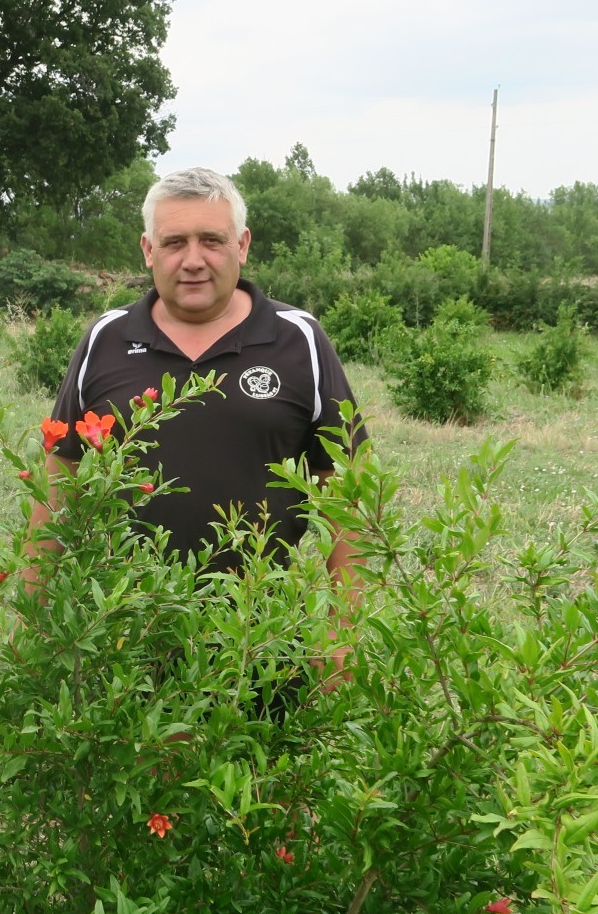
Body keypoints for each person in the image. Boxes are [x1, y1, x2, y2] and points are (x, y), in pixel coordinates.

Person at [46, 167, 364, 680]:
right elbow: (58, 486)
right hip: (122, 636)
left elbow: (348, 492)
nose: (193, 260)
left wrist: (345, 633)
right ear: (148, 251)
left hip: (259, 637)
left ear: (242, 245)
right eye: (174, 242)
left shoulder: (299, 339)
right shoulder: (104, 339)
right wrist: (37, 624)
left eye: (211, 241)